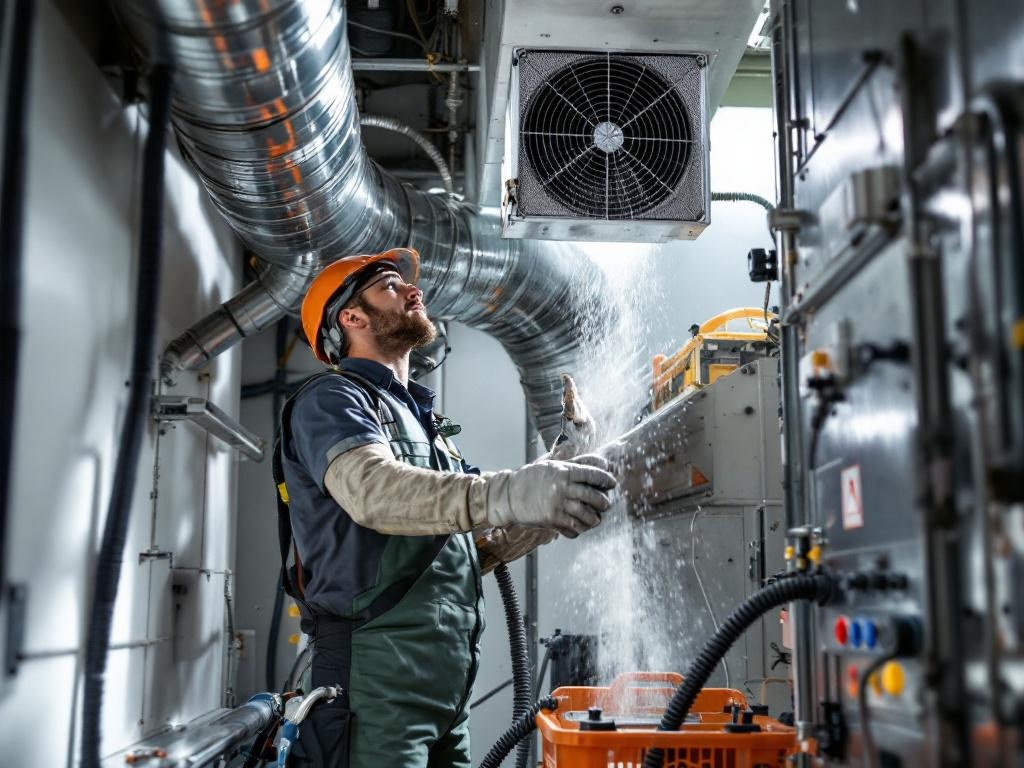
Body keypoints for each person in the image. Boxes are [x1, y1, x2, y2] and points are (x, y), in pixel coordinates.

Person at [278, 247, 617, 767]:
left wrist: (551, 499)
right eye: (390, 286)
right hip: (372, 686)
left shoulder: (424, 424)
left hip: (445, 690)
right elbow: (374, 492)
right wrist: (514, 490)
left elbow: (471, 550)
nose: (415, 291)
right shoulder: (333, 399)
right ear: (351, 317)